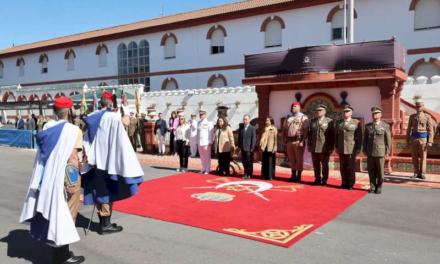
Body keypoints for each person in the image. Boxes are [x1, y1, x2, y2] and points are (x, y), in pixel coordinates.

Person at [20, 96, 85, 264]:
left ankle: (59, 253)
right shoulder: (72, 130)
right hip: (64, 177)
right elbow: (72, 158)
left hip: (48, 178)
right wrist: (72, 183)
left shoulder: (47, 127)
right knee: (66, 215)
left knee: (55, 214)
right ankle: (62, 256)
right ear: (70, 110)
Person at [82, 91, 144, 235]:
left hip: (95, 161)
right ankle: (105, 225)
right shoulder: (112, 116)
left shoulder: (92, 117)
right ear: (110, 103)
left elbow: (86, 138)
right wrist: (126, 110)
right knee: (106, 192)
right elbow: (126, 122)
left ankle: (104, 222)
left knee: (100, 191)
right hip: (108, 161)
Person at [363, 107, 391, 194]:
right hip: (370, 151)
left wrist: (387, 151)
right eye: (373, 113)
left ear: (380, 115)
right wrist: (364, 149)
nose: (375, 115)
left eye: (377, 113)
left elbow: (388, 140)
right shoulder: (368, 126)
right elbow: (365, 139)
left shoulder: (385, 126)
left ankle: (379, 186)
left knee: (380, 171)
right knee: (371, 170)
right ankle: (372, 186)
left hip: (380, 152)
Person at [335, 105, 362, 190]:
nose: (345, 113)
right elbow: (336, 136)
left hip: (351, 148)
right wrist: (336, 146)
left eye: (347, 111)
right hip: (341, 148)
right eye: (344, 111)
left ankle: (350, 183)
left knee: (351, 167)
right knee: (342, 166)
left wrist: (358, 148)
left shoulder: (356, 122)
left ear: (351, 113)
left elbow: (359, 137)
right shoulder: (339, 123)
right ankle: (344, 182)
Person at [406, 100, 435, 179]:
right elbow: (408, 129)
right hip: (414, 139)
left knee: (423, 156)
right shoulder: (412, 117)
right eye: (417, 106)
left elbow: (431, 130)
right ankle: (415, 172)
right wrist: (407, 140)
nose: (418, 108)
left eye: (420, 106)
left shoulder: (427, 117)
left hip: (423, 139)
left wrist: (430, 141)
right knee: (414, 156)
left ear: (423, 107)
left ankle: (422, 173)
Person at [308, 104, 335, 186]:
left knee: (324, 165)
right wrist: (309, 145)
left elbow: (332, 135)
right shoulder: (313, 121)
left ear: (324, 112)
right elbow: (310, 134)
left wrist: (331, 147)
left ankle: (324, 180)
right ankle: (317, 179)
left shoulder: (329, 121)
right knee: (316, 164)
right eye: (317, 111)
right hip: (314, 147)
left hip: (324, 147)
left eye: (320, 110)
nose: (318, 112)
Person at [282, 102, 309, 183]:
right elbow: (284, 129)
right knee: (292, 159)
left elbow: (306, 131)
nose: (292, 108)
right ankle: (293, 175)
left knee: (299, 159)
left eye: (294, 106)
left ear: (299, 107)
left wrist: (303, 141)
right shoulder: (288, 118)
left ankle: (299, 176)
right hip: (289, 141)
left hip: (298, 141)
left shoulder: (303, 117)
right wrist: (284, 140)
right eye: (292, 106)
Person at [238, 114, 257, 179]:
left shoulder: (252, 128)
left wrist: (252, 148)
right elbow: (239, 138)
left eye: (246, 119)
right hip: (243, 148)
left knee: (249, 162)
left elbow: (254, 138)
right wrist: (239, 147)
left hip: (249, 148)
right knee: (244, 161)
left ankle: (249, 174)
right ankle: (245, 173)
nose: (245, 120)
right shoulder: (241, 128)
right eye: (244, 119)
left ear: (249, 120)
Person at [197, 110, 214, 174]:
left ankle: (207, 169)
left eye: (202, 114)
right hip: (199, 142)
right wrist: (197, 142)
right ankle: (203, 168)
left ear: (205, 115)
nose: (201, 116)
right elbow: (198, 133)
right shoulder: (198, 123)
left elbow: (211, 133)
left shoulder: (209, 123)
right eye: (200, 115)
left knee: (207, 157)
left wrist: (210, 141)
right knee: (202, 157)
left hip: (206, 142)